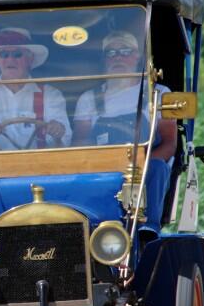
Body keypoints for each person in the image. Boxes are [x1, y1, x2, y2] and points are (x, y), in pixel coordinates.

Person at [73, 30, 177, 231]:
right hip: (101, 169)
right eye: (111, 53)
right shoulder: (89, 98)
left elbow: (169, 143)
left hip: (144, 169)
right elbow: (80, 143)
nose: (118, 57)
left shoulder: (158, 94)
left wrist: (141, 168)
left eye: (125, 51)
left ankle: (148, 229)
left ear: (138, 56)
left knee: (158, 167)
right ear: (104, 59)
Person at [0, 28, 72, 151]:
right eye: (4, 54)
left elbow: (65, 140)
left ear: (30, 59)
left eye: (17, 54)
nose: (10, 60)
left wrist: (56, 131)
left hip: (39, 167)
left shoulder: (50, 94)